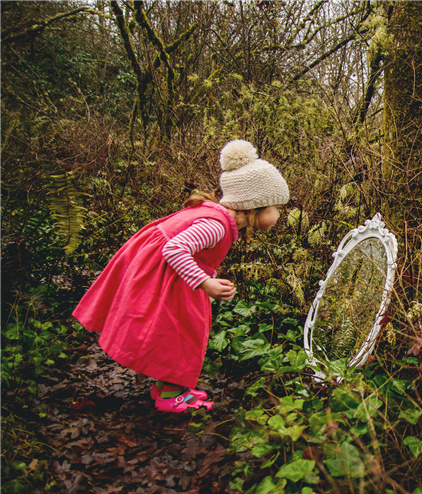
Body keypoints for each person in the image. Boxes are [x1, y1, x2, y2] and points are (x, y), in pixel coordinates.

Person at [73, 140, 289, 413]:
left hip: (171, 278)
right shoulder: (216, 226)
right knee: (179, 335)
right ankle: (170, 397)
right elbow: (173, 248)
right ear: (253, 206)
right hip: (163, 279)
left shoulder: (220, 219)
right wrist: (206, 282)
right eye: (275, 208)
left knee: (176, 333)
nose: (278, 215)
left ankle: (168, 386)